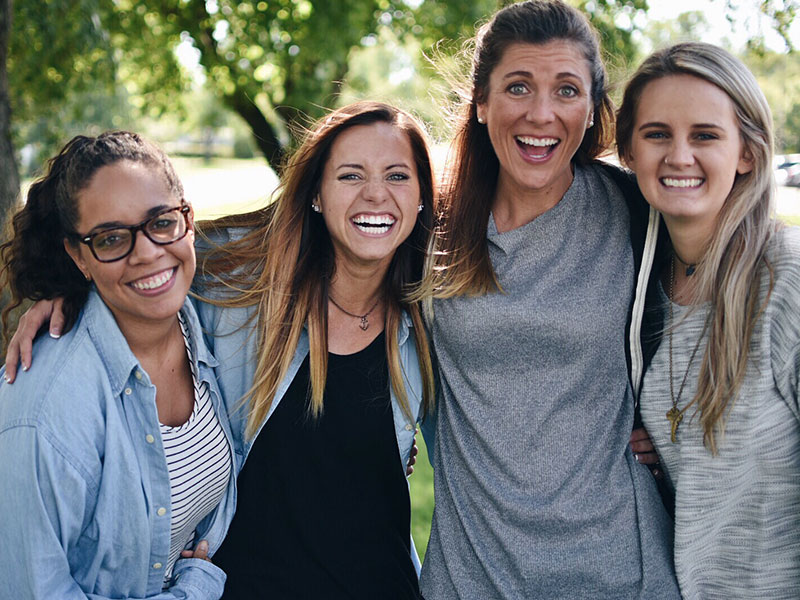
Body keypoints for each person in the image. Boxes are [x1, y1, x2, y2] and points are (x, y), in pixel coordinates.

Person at [1, 103, 436, 597]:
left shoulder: (435, 308)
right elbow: (152, 264)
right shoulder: (238, 289)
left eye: (398, 175)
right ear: (316, 192)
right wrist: (68, 293)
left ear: (423, 194)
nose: (375, 193)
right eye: (350, 174)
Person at [415, 1, 679, 598]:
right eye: (518, 87)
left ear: (591, 111)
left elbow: (720, 314)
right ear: (482, 103)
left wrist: (678, 436)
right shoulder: (430, 223)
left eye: (566, 90)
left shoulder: (636, 211)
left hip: (619, 569)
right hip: (469, 573)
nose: (541, 114)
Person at [0, 131, 236, 599]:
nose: (147, 252)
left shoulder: (209, 317)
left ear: (186, 219)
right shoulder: (46, 414)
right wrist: (195, 589)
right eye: (111, 238)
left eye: (161, 222)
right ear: (78, 255)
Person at [616, 42, 800, 599]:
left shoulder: (785, 279)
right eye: (656, 134)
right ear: (628, 150)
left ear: (747, 151)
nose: (678, 156)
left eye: (704, 135)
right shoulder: (641, 282)